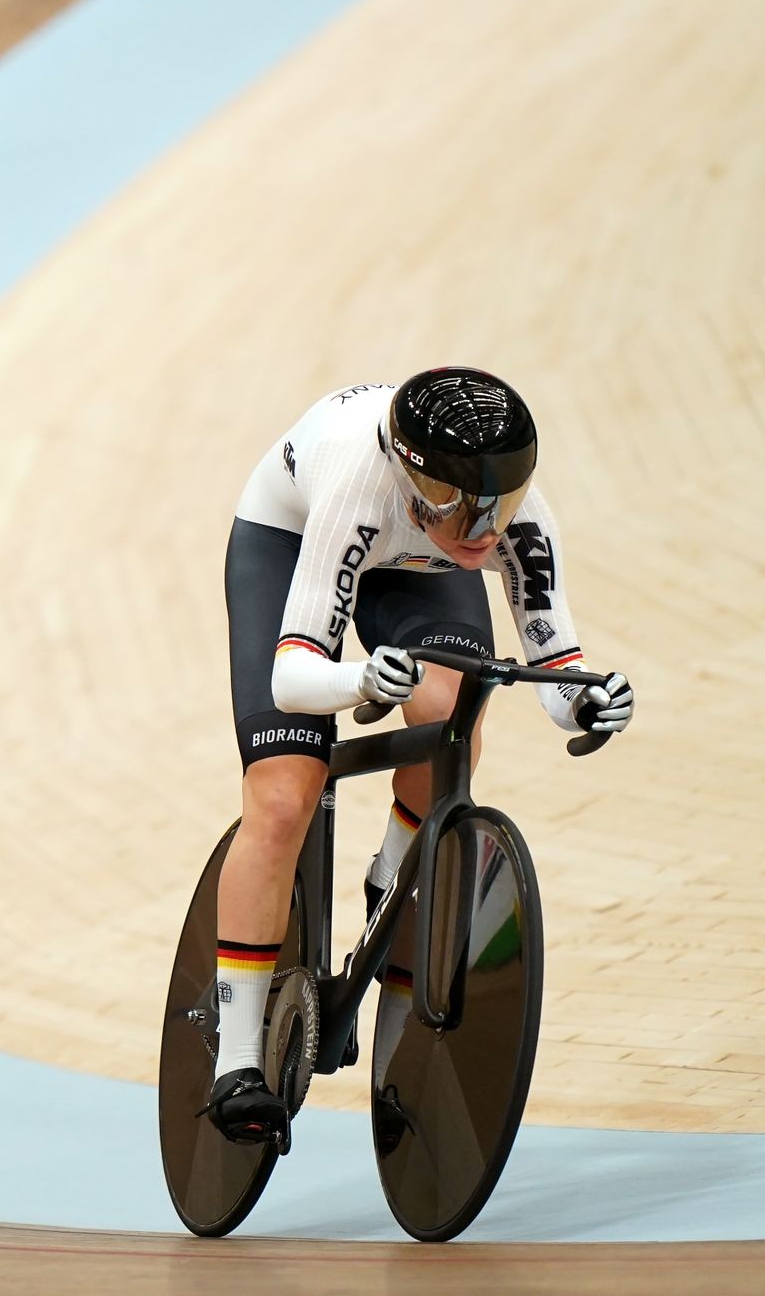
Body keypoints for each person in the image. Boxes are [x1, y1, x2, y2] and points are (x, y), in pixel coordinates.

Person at [205, 366, 635, 1143]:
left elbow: (554, 661)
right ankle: (234, 1064)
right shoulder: (357, 488)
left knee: (449, 716)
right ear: (412, 481)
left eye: (499, 508)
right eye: (461, 507)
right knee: (284, 797)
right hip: (293, 540)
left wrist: (587, 700)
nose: (484, 532)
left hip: (413, 563)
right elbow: (292, 677)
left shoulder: (506, 517)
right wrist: (359, 679)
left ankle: (394, 873)